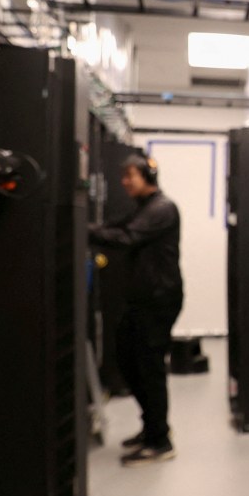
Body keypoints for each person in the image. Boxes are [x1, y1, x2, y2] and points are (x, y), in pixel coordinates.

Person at [89, 154, 183, 466]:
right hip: (143, 299)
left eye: (130, 176)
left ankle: (160, 441)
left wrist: (84, 230)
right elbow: (113, 227)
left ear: (147, 176)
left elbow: (127, 237)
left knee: (150, 367)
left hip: (158, 299)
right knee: (128, 360)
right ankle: (152, 428)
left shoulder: (161, 209)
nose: (124, 182)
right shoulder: (143, 209)